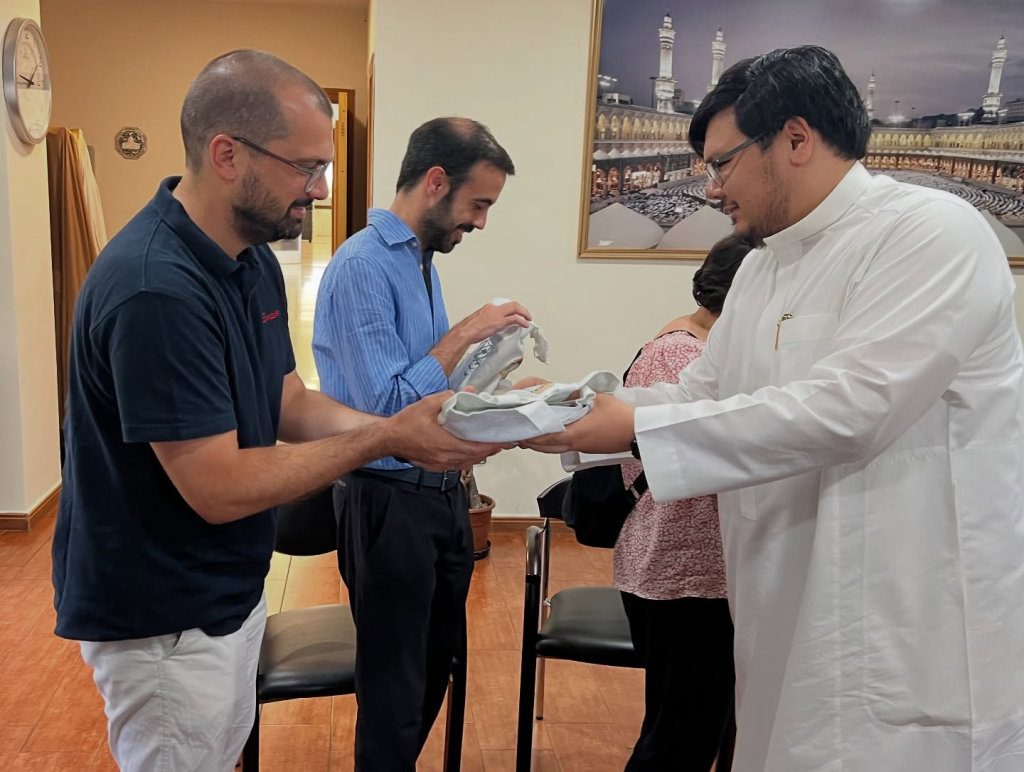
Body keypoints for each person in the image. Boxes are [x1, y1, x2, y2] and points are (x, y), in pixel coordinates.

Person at [520, 45, 1024, 771]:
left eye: (722, 163)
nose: (712, 189)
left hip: (905, 613)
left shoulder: (929, 232)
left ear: (794, 138)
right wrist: (567, 409)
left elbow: (852, 409)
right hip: (781, 598)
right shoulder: (760, 267)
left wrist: (635, 426)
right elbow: (700, 394)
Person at [51, 51, 505, 772]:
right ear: (226, 155)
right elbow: (218, 486)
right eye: (306, 167)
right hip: (162, 612)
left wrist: (416, 434)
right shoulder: (155, 289)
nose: (320, 189)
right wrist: (387, 437)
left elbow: (288, 399)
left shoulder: (250, 259)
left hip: (227, 587)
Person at [312, 117, 526, 771]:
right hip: (386, 500)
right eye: (478, 204)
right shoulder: (362, 266)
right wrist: (466, 332)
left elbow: (429, 391)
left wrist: (497, 386)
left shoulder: (419, 263)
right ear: (436, 182)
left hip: (438, 497)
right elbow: (389, 412)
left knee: (435, 666)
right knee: (394, 692)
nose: (481, 222)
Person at [615, 234, 750, 772]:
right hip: (685, 570)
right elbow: (709, 457)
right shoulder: (682, 353)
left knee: (683, 730)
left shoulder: (696, 344)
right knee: (681, 740)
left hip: (691, 570)